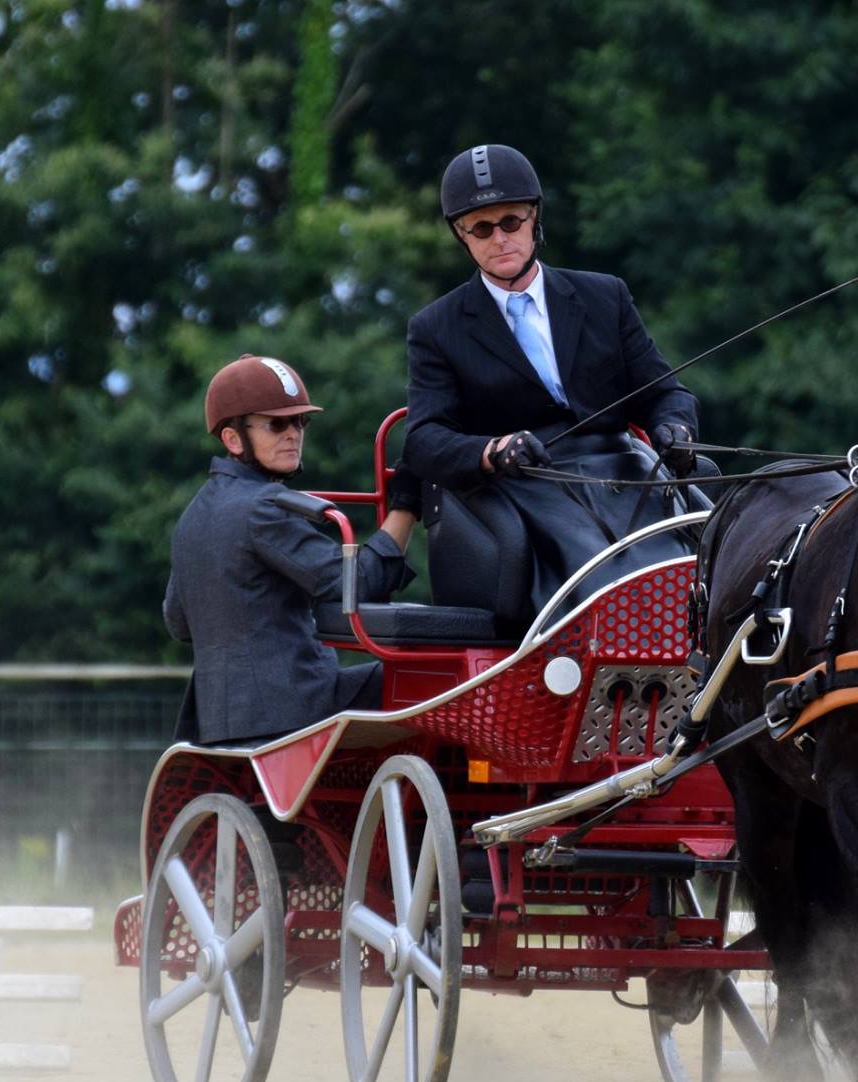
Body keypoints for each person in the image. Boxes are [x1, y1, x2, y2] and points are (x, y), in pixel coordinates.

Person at [404, 143, 709, 618]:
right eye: (481, 228)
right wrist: (493, 450)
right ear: (462, 236)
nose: (499, 239)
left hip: (623, 468)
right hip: (526, 479)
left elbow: (665, 391)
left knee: (719, 542)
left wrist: (676, 428)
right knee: (603, 573)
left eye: (511, 222)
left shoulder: (605, 295)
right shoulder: (436, 327)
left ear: (534, 219)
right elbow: (423, 439)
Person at [164, 354, 422, 745]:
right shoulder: (264, 507)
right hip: (295, 710)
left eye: (300, 421)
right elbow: (357, 584)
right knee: (426, 675)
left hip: (216, 725)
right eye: (277, 424)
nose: (293, 434)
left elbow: (178, 623)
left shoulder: (192, 516)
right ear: (233, 439)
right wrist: (406, 506)